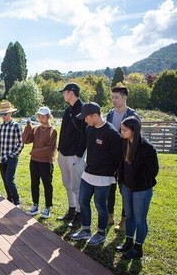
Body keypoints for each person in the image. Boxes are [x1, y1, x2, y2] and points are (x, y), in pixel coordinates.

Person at [70, 102, 122, 246]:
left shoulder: (112, 134)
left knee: (100, 205)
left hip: (104, 178)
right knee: (83, 201)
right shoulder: (89, 129)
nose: (84, 120)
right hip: (88, 174)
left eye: (86, 117)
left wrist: (115, 177)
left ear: (95, 115)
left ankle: (101, 233)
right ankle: (85, 230)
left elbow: (118, 159)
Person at [116, 117, 159, 259]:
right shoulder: (124, 142)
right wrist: (121, 182)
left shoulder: (147, 148)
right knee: (129, 216)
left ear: (133, 131)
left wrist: (140, 181)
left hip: (142, 189)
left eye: (124, 130)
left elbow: (154, 171)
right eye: (121, 129)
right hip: (127, 186)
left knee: (140, 219)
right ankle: (128, 241)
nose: (121, 132)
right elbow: (122, 164)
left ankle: (138, 247)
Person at [106, 85, 140, 231]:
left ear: (124, 97)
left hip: (126, 158)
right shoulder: (109, 115)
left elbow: (136, 138)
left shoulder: (132, 115)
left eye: (116, 97)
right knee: (110, 187)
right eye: (112, 97)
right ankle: (109, 216)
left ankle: (124, 220)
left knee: (125, 189)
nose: (113, 100)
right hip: (111, 157)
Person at [57, 82, 87, 228]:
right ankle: (71, 209)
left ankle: (79, 215)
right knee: (67, 184)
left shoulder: (83, 109)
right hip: (63, 153)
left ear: (71, 92)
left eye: (64, 92)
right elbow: (63, 131)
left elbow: (85, 135)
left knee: (77, 186)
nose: (63, 94)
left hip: (75, 155)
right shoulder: (67, 110)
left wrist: (79, 154)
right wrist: (59, 150)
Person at [23, 107, 57, 218]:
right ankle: (35, 205)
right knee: (34, 183)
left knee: (47, 185)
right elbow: (25, 140)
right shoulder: (36, 129)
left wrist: (34, 152)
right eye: (39, 116)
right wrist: (28, 127)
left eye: (43, 116)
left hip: (46, 163)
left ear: (48, 117)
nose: (41, 118)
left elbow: (50, 149)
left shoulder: (53, 131)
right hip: (34, 162)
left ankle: (47, 207)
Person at [0, 101, 24, 207]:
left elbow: (21, 143)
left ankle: (17, 201)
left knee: (9, 180)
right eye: (1, 114)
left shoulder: (17, 126)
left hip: (12, 158)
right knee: (5, 180)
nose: (3, 116)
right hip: (1, 158)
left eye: (5, 114)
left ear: (10, 113)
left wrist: (12, 155)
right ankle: (9, 198)